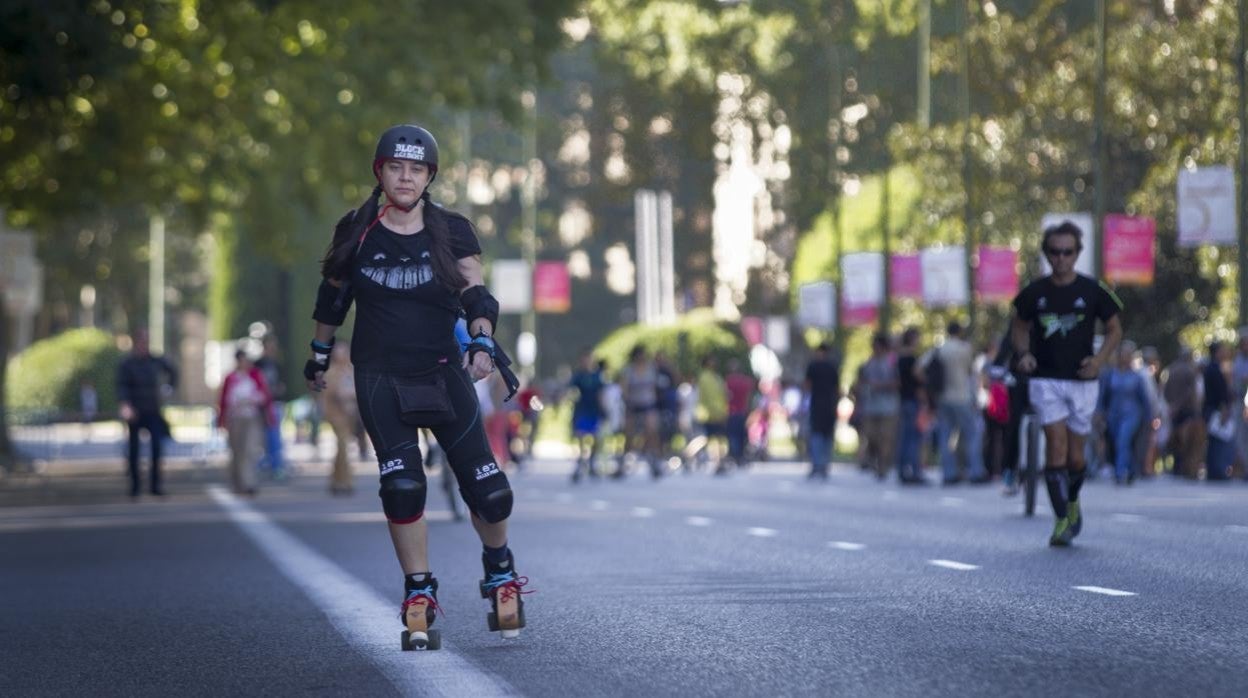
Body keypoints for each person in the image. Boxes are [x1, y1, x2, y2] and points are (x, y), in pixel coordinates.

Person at [304, 124, 527, 649]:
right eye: (396, 167)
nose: (406, 177)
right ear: (379, 172)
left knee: (492, 493)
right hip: (380, 377)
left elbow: (477, 296)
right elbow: (332, 300)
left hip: (444, 373)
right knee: (403, 487)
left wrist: (481, 343)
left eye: (417, 169)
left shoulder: (451, 229)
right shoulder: (356, 230)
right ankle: (419, 591)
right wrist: (318, 354)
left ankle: (499, 569)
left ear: (429, 176)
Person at [1011, 221, 1123, 547]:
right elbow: (1019, 325)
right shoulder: (1035, 292)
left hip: (1082, 381)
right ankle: (1061, 519)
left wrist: (1099, 361)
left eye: (1067, 252)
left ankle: (1072, 501)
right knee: (1055, 446)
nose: (1061, 258)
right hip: (1046, 380)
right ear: (1047, 254)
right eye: (1055, 252)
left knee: (1076, 457)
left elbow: (1115, 328)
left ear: (1077, 253)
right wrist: (1024, 353)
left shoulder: (1092, 290)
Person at [922, 321, 988, 485]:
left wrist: (930, 385)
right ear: (960, 332)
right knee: (972, 434)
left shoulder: (939, 349)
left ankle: (948, 473)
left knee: (945, 436)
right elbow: (972, 372)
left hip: (943, 397)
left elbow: (919, 368)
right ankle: (975, 471)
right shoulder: (964, 348)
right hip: (962, 396)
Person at [117, 328, 178, 498]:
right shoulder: (127, 364)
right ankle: (135, 487)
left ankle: (155, 485)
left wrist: (169, 388)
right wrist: (126, 405)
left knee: (157, 448)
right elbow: (122, 386)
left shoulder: (155, 361)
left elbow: (173, 371)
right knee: (134, 450)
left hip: (152, 409)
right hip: (135, 410)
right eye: (142, 341)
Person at [218, 349, 272, 496]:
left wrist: (252, 400)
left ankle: (249, 483)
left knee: (250, 450)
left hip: (252, 417)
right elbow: (224, 400)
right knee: (237, 451)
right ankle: (238, 483)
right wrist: (221, 420)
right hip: (235, 418)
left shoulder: (255, 376)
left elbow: (265, 396)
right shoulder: (231, 378)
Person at [1097, 341, 1149, 485]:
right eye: (1122, 354)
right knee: (1118, 443)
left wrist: (1149, 417)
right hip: (1113, 415)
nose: (1124, 357)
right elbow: (1103, 396)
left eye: (1127, 355)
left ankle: (1120, 473)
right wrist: (1099, 412)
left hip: (1132, 414)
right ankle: (1131, 469)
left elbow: (1144, 400)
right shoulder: (1109, 375)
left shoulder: (1137, 377)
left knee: (1123, 439)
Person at [616, 345, 662, 479]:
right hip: (633, 405)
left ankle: (654, 460)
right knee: (628, 435)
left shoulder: (650, 370)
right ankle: (623, 463)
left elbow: (654, 387)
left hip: (648, 404)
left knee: (652, 432)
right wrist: (627, 402)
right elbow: (624, 388)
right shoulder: (629, 370)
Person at [321, 341, 359, 496]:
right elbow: (330, 394)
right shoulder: (331, 373)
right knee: (343, 445)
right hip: (336, 414)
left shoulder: (351, 371)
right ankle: (345, 481)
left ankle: (336, 480)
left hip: (350, 413)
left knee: (342, 447)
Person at [804, 341, 841, 481]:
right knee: (826, 436)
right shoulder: (833, 367)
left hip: (816, 405)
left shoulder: (813, 366)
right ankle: (824, 464)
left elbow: (807, 385)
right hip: (829, 405)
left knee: (816, 435)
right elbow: (837, 388)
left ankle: (817, 464)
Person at [1162, 347, 1202, 478]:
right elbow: (1190, 393)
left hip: (1174, 410)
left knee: (1176, 439)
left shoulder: (1171, 369)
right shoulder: (1189, 371)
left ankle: (1176, 467)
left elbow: (1165, 391)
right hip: (1187, 410)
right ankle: (1187, 468)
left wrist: (1171, 405)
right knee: (1188, 441)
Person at [254, 333, 288, 480]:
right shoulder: (258, 365)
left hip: (274, 403)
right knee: (261, 437)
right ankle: (264, 463)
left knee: (275, 436)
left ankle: (276, 465)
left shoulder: (278, 364)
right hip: (261, 405)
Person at [894, 329, 926, 484]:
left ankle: (902, 469)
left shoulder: (899, 358)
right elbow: (918, 376)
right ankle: (913, 470)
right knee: (913, 437)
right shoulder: (912, 359)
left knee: (905, 436)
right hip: (912, 400)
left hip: (903, 400)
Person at [568, 351, 605, 482]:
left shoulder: (597, 376)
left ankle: (592, 463)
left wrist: (603, 409)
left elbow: (601, 393)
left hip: (593, 410)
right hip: (581, 410)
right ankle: (580, 462)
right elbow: (571, 391)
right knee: (580, 436)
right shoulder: (578, 376)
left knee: (595, 437)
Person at [1202, 341, 1235, 481]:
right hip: (1216, 410)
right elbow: (1220, 393)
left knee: (1215, 441)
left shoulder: (1212, 368)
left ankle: (1214, 470)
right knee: (1218, 441)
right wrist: (1224, 409)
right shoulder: (1214, 370)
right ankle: (1217, 471)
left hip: (1211, 409)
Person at [695, 355, 729, 472]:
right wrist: (713, 411)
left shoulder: (717, 377)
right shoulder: (704, 377)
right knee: (707, 438)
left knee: (719, 438)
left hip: (719, 412)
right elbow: (707, 397)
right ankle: (687, 454)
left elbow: (722, 394)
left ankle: (719, 462)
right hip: (709, 414)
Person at [723, 358, 756, 474]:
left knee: (733, 435)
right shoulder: (746, 382)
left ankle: (735, 455)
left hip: (732, 412)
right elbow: (749, 397)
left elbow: (725, 397)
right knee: (742, 436)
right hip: (742, 411)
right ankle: (741, 456)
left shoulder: (728, 381)